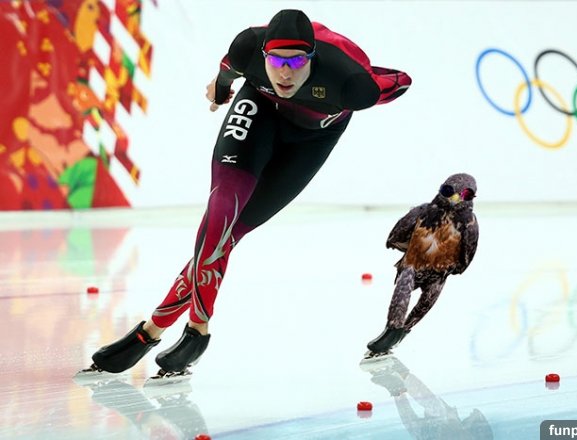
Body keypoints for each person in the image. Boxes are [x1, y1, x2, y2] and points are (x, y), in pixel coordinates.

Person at [79, 9, 411, 378]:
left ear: (313, 58)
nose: (285, 73)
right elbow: (227, 71)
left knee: (229, 236)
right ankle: (197, 330)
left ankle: (150, 332)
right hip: (259, 111)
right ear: (263, 54)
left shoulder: (352, 84)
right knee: (221, 212)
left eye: (297, 62)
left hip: (311, 142)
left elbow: (399, 81)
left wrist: (376, 77)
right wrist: (221, 90)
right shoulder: (247, 48)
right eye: (277, 61)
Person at [364, 173, 479, 359]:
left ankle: (399, 335)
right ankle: (391, 331)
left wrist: (448, 267)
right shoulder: (422, 213)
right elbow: (394, 238)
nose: (455, 198)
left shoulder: (470, 225)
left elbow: (463, 263)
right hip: (412, 265)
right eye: (448, 191)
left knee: (425, 304)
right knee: (403, 291)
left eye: (465, 194)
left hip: (440, 273)